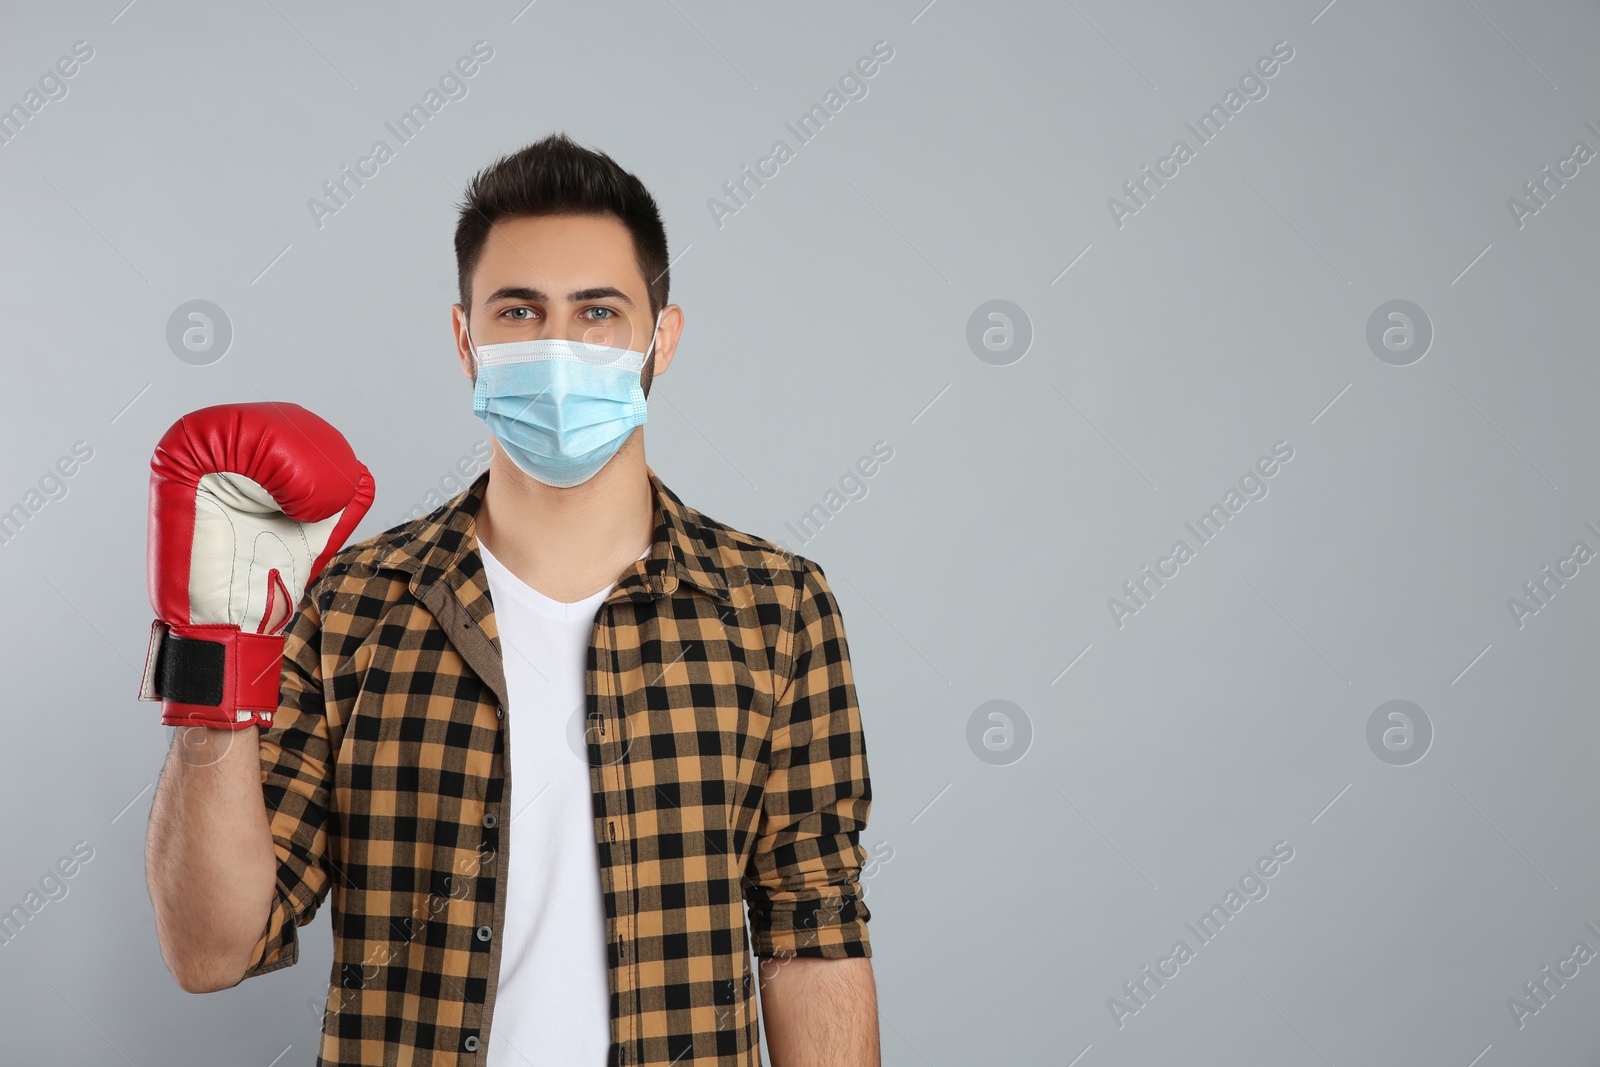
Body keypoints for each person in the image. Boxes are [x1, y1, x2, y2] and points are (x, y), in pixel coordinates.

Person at [142, 132, 878, 1066]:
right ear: (466, 340)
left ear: (664, 336)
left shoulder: (776, 610)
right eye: (521, 309)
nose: (560, 344)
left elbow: (811, 936)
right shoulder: (352, 606)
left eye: (599, 311)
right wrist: (218, 657)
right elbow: (210, 950)